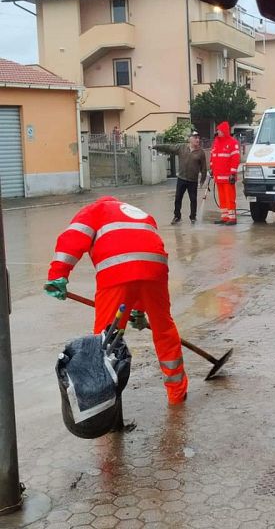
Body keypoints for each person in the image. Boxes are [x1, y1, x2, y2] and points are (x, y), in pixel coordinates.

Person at [43, 196, 188, 406]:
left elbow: (73, 238)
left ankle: (103, 403)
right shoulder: (139, 214)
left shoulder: (95, 210)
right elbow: (141, 254)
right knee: (164, 328)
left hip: (116, 273)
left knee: (104, 339)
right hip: (156, 270)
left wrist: (58, 275)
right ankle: (177, 393)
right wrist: (139, 309)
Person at [154, 131, 207, 225]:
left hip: (193, 180)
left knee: (193, 199)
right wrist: (156, 146)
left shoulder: (201, 153)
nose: (197, 140)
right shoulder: (182, 147)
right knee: (178, 198)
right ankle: (177, 217)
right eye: (195, 138)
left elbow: (204, 168)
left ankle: (193, 217)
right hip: (181, 178)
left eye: (198, 138)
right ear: (190, 139)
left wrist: (202, 181)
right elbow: (169, 147)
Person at [210, 121, 241, 225]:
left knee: (230, 197)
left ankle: (232, 218)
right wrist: (211, 168)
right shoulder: (216, 142)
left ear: (224, 131)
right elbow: (212, 156)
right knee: (222, 198)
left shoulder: (232, 142)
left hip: (228, 177)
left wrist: (233, 173)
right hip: (218, 176)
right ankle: (224, 217)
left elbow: (235, 158)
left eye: (219, 130)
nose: (217, 132)